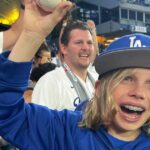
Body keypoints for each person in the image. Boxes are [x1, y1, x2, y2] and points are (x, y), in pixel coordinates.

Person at [1, 0, 150, 150]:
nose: (138, 93)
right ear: (98, 89)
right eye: (126, 78)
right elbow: (8, 114)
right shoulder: (65, 129)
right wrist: (31, 35)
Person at [32, 20, 96, 110]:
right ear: (64, 48)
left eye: (89, 43)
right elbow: (39, 122)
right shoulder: (50, 82)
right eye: (79, 42)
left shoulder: (98, 80)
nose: (86, 47)